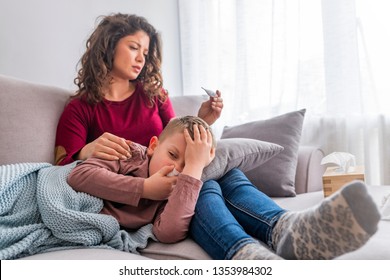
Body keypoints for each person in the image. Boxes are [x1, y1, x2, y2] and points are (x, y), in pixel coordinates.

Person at [55, 13, 381, 260]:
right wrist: (85, 151)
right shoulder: (80, 108)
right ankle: (262, 243)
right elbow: (62, 170)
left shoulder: (155, 96)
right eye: (133, 47)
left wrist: (201, 121)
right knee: (208, 182)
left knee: (222, 172)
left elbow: (175, 140)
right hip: (142, 187)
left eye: (146, 51)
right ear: (109, 45)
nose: (142, 57)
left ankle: (287, 229)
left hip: (176, 173)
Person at [67, 116, 215, 243]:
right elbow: (78, 175)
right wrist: (145, 188)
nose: (176, 169)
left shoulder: (174, 195)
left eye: (187, 165)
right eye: (172, 155)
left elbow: (169, 233)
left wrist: (194, 167)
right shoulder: (129, 154)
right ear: (153, 146)